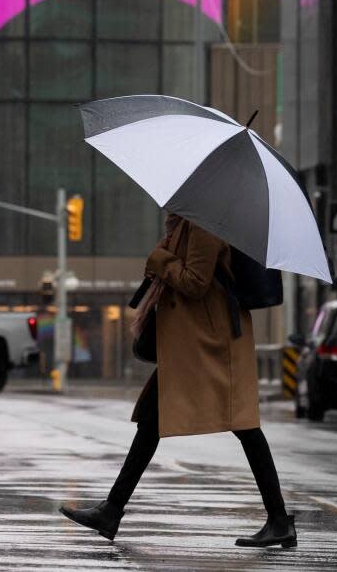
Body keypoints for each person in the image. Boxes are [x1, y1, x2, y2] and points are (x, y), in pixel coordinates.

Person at [59, 213, 297, 548]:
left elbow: (195, 282)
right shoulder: (188, 222)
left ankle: (279, 519)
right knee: (152, 422)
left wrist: (160, 259)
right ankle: (111, 510)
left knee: (244, 425)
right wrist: (164, 256)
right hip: (195, 342)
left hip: (209, 344)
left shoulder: (205, 222)